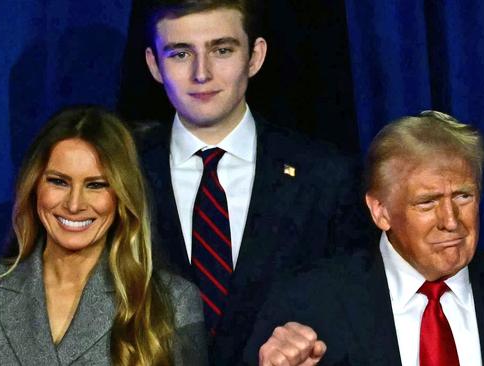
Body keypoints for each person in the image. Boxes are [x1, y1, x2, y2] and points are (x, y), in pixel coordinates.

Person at [138, 0, 371, 363]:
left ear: (255, 56)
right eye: (181, 54)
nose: (202, 73)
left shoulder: (325, 177)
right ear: (154, 64)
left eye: (222, 50)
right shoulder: (120, 171)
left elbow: (356, 317)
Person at [248, 111, 484, 365]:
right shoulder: (310, 306)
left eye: (463, 196)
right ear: (380, 211)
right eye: (427, 202)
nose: (451, 221)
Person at [0, 106, 208, 365]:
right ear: (34, 186)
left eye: (96, 185)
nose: (74, 204)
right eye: (59, 181)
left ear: (121, 196)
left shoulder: (173, 303)